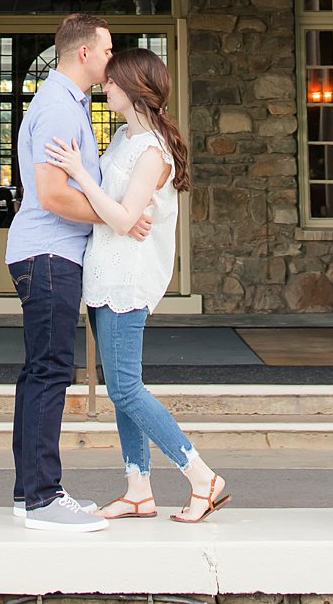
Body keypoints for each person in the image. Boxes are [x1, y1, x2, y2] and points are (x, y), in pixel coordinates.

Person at [46, 47, 229, 524]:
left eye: (111, 82)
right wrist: (119, 211)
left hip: (129, 278)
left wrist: (82, 175)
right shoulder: (126, 138)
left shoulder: (153, 151)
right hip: (104, 271)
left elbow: (126, 216)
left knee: (126, 387)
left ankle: (202, 477)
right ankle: (137, 490)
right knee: (120, 387)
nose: (104, 87)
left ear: (131, 88)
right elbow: (121, 213)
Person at [6, 11, 152, 534]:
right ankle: (45, 498)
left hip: (46, 254)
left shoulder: (66, 104)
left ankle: (29, 494)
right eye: (109, 50)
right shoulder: (59, 109)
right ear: (84, 53)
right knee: (49, 371)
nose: (113, 59)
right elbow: (49, 194)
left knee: (37, 372)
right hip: (49, 254)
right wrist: (120, 220)